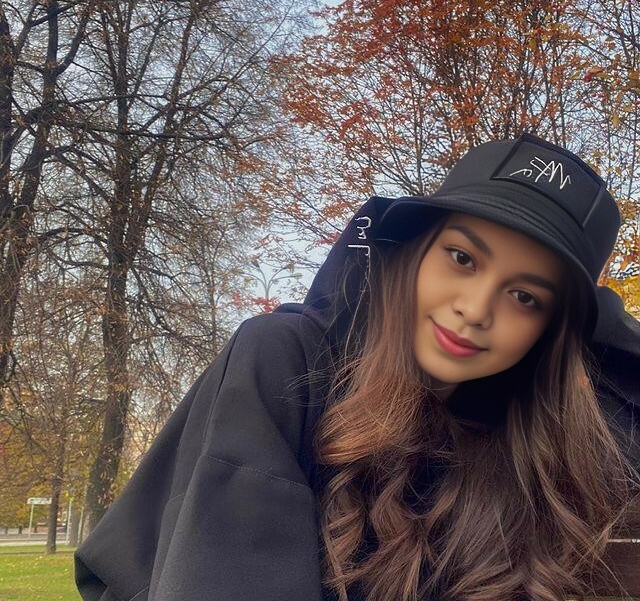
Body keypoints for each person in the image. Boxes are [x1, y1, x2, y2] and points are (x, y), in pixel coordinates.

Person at [75, 134, 640, 601]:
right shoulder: (286, 362)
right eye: (462, 258)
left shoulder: (520, 447)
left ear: (551, 331)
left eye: (525, 297)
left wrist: (594, 318)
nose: (474, 309)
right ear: (413, 249)